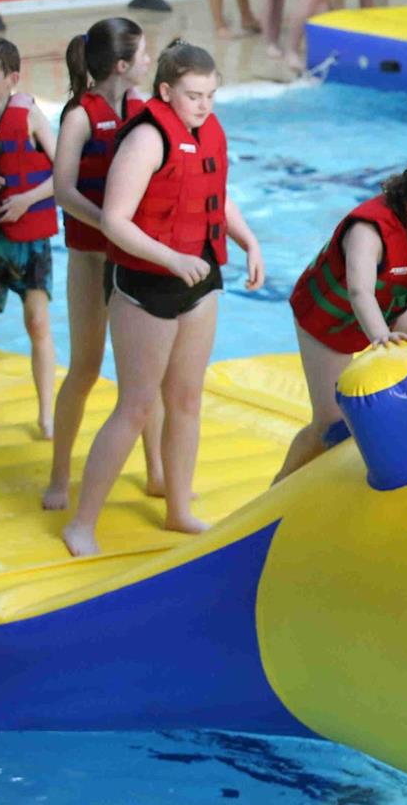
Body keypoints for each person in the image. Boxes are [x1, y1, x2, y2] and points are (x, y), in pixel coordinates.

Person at [61, 42, 266, 558]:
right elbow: (114, 220)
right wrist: (172, 260)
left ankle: (178, 508)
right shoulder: (147, 139)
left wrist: (249, 240)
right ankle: (81, 523)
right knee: (136, 406)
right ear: (166, 90)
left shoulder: (207, 130)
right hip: (147, 284)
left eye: (212, 95)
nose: (204, 106)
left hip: (200, 279)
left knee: (187, 400)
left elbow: (214, 191)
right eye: (194, 96)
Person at [274, 159, 407, 481]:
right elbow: (359, 293)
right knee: (332, 428)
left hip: (386, 308)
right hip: (330, 318)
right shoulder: (366, 232)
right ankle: (279, 487)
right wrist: (382, 339)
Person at [44, 18, 167, 512]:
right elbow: (63, 190)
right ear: (121, 65)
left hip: (131, 259)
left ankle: (157, 470)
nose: (147, 60)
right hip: (92, 258)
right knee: (86, 367)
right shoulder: (80, 116)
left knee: (145, 375)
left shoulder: (144, 110)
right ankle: (58, 476)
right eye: (142, 54)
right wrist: (110, 224)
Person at [0, 37, 59, 439]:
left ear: (12, 78)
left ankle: (46, 414)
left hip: (30, 239)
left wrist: (25, 200)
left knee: (37, 322)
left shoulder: (30, 115)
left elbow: (62, 172)